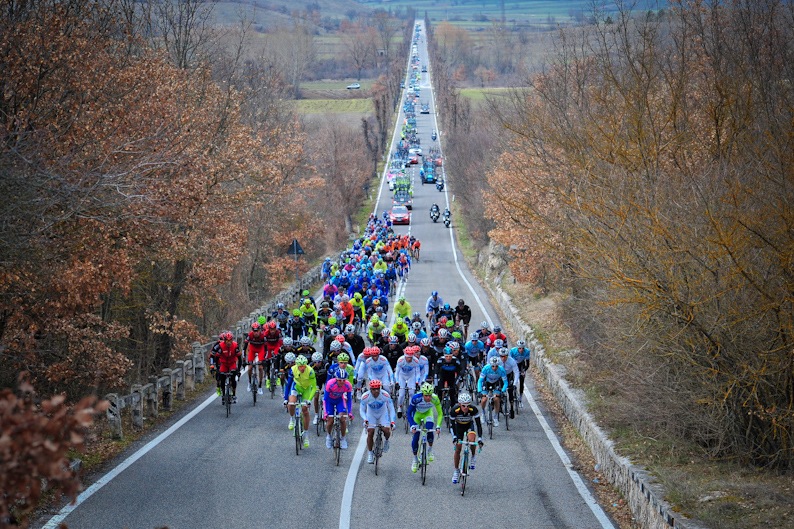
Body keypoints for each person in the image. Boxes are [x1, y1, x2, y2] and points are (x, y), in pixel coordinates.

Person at [407, 382, 443, 473]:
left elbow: (440, 414)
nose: (428, 398)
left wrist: (438, 426)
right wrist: (412, 425)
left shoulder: (435, 398)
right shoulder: (416, 398)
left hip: (427, 413)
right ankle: (415, 459)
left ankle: (430, 450)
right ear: (423, 394)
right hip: (417, 414)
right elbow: (408, 412)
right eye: (426, 395)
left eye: (430, 395)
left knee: (430, 429)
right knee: (416, 436)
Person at [449, 392, 483, 484]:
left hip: (469, 425)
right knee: (458, 448)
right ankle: (456, 470)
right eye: (463, 406)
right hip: (458, 427)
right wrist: (454, 437)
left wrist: (480, 438)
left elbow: (478, 425)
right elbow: (451, 425)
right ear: (459, 404)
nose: (466, 408)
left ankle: (473, 456)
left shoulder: (473, 409)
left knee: (472, 440)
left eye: (467, 405)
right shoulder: (454, 410)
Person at [284, 355, 317, 448]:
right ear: (297, 365)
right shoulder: (293, 369)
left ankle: (306, 434)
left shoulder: (310, 371)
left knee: (305, 410)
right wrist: (286, 399)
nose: (302, 368)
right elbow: (288, 385)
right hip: (296, 387)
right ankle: (292, 419)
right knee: (291, 404)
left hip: (307, 389)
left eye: (303, 366)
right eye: (300, 366)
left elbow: (314, 387)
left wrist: (309, 400)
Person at [360, 379, 396, 463]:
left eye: (378, 389)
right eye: (374, 389)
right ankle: (370, 453)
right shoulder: (365, 396)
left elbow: (391, 409)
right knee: (370, 432)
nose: (376, 391)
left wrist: (392, 421)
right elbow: (362, 410)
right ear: (370, 389)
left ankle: (386, 441)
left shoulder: (385, 395)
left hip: (382, 413)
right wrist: (365, 419)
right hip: (371, 414)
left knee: (386, 430)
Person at [323, 369, 354, 449]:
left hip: (339, 400)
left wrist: (350, 412)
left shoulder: (348, 385)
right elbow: (325, 399)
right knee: (330, 421)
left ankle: (343, 438)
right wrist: (325, 413)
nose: (342, 382)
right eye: (340, 380)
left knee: (342, 419)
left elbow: (349, 399)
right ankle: (329, 436)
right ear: (336, 379)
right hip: (330, 401)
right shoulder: (330, 383)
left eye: (344, 380)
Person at [211, 331, 242, 403]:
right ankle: (223, 395)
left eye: (230, 340)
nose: (228, 342)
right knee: (222, 378)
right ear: (224, 340)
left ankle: (234, 395)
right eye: (227, 341)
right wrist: (217, 368)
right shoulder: (220, 346)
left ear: (232, 340)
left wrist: (239, 370)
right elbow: (216, 358)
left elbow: (239, 358)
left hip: (232, 363)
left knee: (233, 378)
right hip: (224, 364)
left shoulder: (235, 345)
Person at [477, 356, 508, 427]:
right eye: (493, 366)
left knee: (496, 399)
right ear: (490, 365)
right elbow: (480, 380)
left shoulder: (501, 370)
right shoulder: (486, 368)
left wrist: (502, 391)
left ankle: (495, 416)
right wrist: (479, 391)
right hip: (487, 383)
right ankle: (483, 413)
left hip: (496, 383)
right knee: (484, 399)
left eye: (496, 366)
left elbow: (505, 382)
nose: (494, 368)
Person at [394, 346, 423, 418]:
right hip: (402, 376)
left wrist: (417, 383)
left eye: (411, 357)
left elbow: (418, 372)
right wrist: (397, 382)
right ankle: (399, 407)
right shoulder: (400, 360)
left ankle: (410, 408)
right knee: (401, 394)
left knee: (412, 393)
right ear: (405, 356)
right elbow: (397, 372)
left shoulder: (416, 361)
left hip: (411, 376)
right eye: (408, 357)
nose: (409, 359)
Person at [243, 322, 266, 395]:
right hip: (252, 349)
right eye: (254, 331)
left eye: (257, 331)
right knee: (249, 367)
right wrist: (244, 357)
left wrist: (264, 359)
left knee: (260, 368)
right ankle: (249, 382)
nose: (256, 333)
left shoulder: (263, 336)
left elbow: (266, 349)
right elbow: (244, 347)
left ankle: (259, 386)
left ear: (260, 330)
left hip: (261, 350)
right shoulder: (250, 335)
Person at [498, 347, 521, 419]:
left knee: (510, 391)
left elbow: (516, 372)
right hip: (501, 376)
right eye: (501, 356)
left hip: (509, 375)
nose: (503, 358)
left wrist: (515, 383)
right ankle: (500, 403)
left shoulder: (512, 361)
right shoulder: (497, 361)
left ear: (507, 356)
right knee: (499, 390)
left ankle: (511, 408)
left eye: (505, 356)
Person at [263, 320, 283, 389]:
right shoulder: (265, 333)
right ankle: (268, 378)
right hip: (268, 346)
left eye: (273, 329)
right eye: (271, 329)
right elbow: (263, 343)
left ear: (275, 328)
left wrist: (280, 349)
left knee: (277, 357)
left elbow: (280, 342)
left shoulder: (278, 333)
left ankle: (277, 376)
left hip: (275, 345)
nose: (272, 331)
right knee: (267, 360)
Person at [311, 351, 328, 424]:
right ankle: (316, 415)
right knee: (316, 396)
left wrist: (326, 388)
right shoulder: (310, 366)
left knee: (327, 396)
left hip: (325, 379)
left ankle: (326, 413)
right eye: (315, 362)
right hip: (316, 381)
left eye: (319, 362)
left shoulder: (326, 365)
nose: (317, 364)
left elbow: (330, 375)